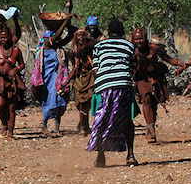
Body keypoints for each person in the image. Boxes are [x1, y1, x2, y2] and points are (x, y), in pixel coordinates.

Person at [85, 19, 138, 167]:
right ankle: (130, 155)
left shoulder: (100, 45)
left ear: (108, 32)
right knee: (127, 119)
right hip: (124, 83)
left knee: (102, 117)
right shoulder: (129, 45)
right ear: (122, 32)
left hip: (105, 85)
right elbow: (133, 67)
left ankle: (100, 155)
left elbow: (95, 69)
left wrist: (102, 82)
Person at [132, 28, 184, 143]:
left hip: (156, 78)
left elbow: (168, 59)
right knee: (146, 99)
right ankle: (151, 129)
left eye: (141, 38)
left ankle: (150, 127)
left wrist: (181, 64)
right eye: (136, 39)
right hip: (141, 79)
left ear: (145, 38)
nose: (139, 41)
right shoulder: (131, 51)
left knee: (154, 103)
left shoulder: (153, 49)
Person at [0, 25, 26, 138]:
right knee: (0, 104)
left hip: (12, 82)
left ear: (10, 37)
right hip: (0, 82)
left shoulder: (15, 50)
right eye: (1, 38)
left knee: (11, 108)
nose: (3, 40)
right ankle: (4, 124)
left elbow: (22, 64)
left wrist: (16, 69)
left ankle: (10, 132)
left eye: (5, 38)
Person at [38, 16, 72, 135]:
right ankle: (44, 123)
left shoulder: (57, 46)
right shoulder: (47, 45)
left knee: (60, 98)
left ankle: (57, 128)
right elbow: (57, 36)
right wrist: (64, 23)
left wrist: (69, 22)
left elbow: (70, 35)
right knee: (50, 99)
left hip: (59, 78)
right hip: (49, 80)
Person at [61, 28, 95, 134]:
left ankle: (84, 126)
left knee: (87, 104)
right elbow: (75, 68)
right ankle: (83, 125)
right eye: (79, 36)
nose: (81, 38)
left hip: (89, 78)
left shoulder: (91, 48)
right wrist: (66, 81)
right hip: (79, 79)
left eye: (83, 35)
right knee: (80, 104)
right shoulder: (74, 51)